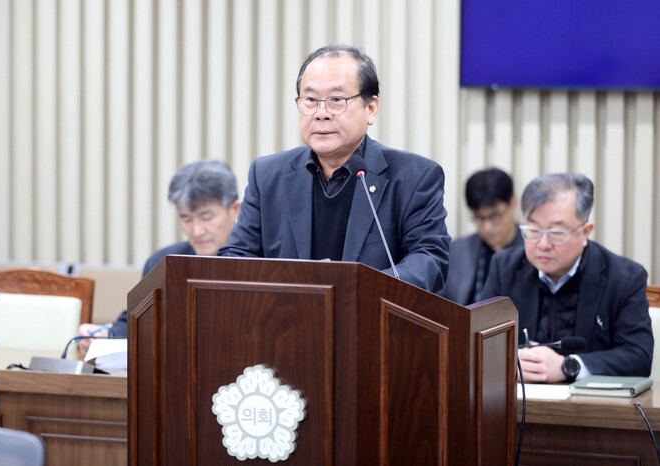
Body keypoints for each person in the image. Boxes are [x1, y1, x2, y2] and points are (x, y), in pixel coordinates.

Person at [218, 45, 450, 291]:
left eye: (336, 100)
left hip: (372, 312)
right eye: (310, 100)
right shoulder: (267, 175)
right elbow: (238, 256)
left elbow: (429, 260)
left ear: (371, 109)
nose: (321, 113)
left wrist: (356, 290)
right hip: (287, 314)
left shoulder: (414, 177)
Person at [481, 173, 653, 383]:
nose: (543, 244)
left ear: (585, 232)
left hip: (590, 402)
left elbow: (639, 357)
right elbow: (476, 341)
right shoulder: (504, 268)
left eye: (556, 233)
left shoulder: (625, 278)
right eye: (533, 230)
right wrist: (506, 362)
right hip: (519, 400)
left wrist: (569, 366)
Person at [77, 160, 240, 353]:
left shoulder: (261, 262)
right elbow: (139, 321)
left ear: (235, 210)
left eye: (206, 217)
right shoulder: (163, 262)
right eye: (186, 218)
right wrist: (104, 335)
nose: (196, 231)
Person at [439, 168, 522, 305]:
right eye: (479, 218)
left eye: (495, 216)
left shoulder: (532, 250)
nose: (487, 227)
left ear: (513, 203)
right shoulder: (457, 251)